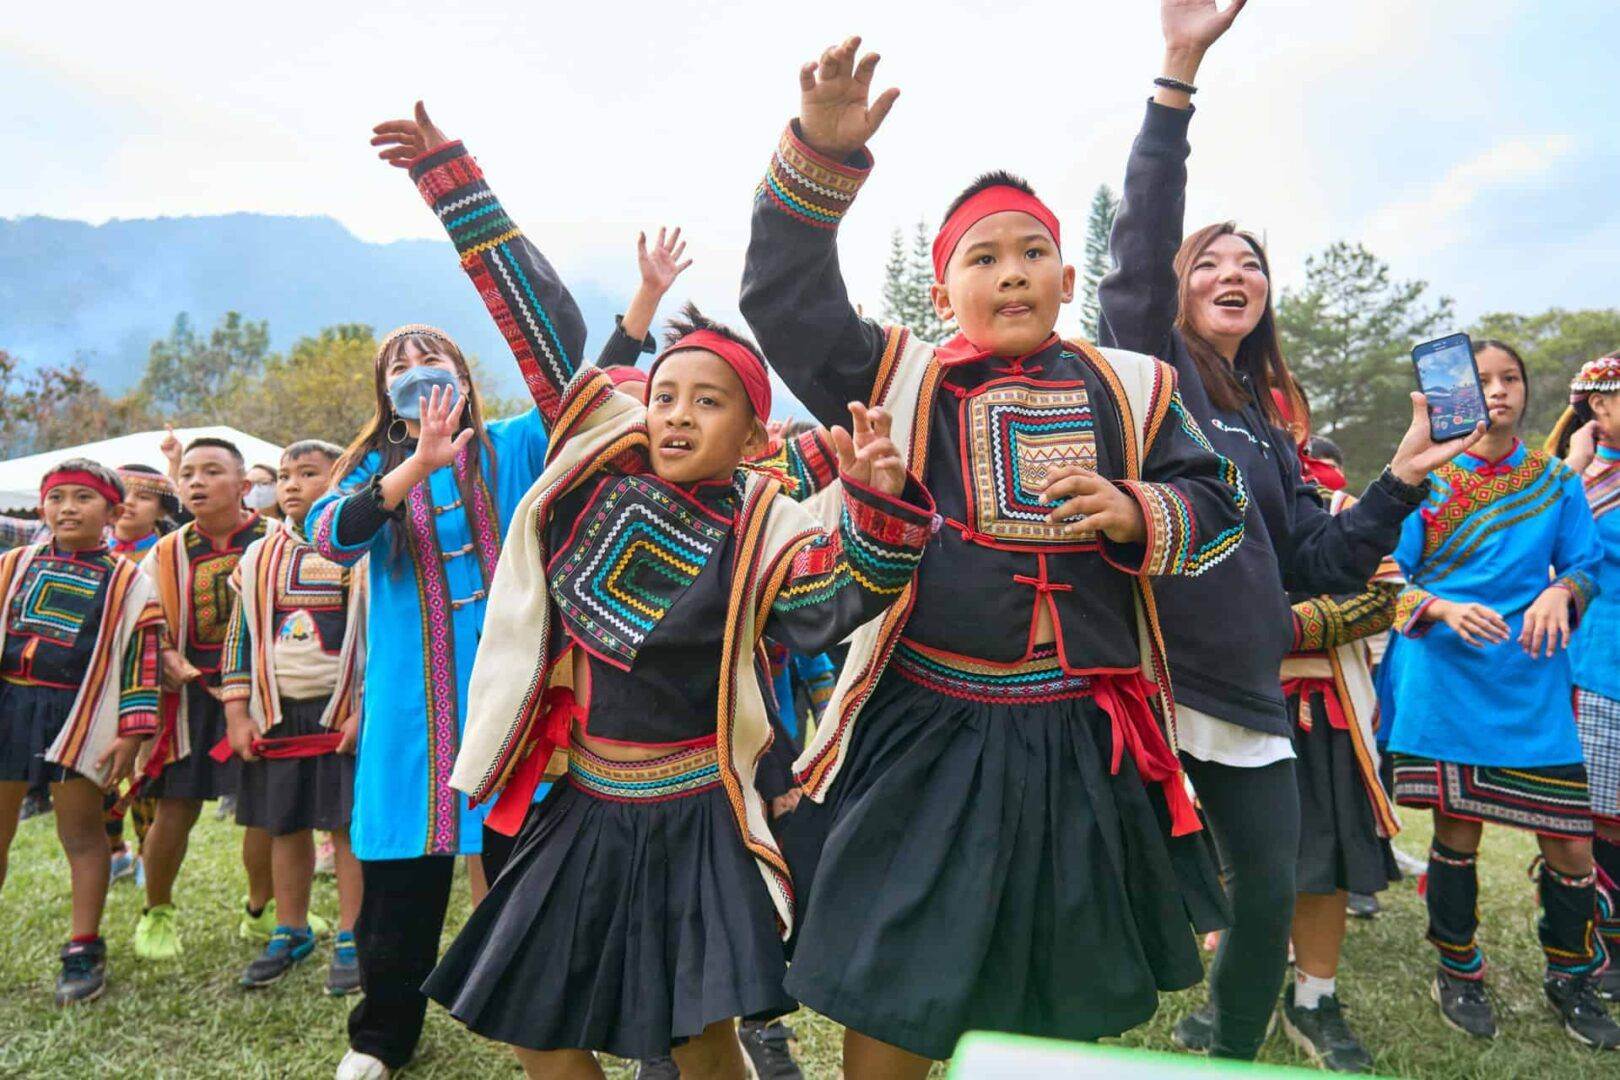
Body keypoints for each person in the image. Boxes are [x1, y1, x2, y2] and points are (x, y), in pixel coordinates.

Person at [737, 34, 1261, 1078]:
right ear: (945, 291)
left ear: (1068, 277)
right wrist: (817, 159)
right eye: (983, 257)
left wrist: (1133, 504)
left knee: (1044, 987)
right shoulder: (900, 380)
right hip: (931, 729)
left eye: (1031, 253)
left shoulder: (1133, 391)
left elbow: (1222, 505)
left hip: (1077, 736)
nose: (1011, 272)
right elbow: (784, 300)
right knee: (893, 976)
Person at [1098, 1, 1481, 1060]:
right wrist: (1177, 74)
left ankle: (1231, 1037)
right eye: (1211, 263)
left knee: (1267, 901)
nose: (1233, 274)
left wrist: (1402, 476)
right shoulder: (1151, 374)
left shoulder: (1267, 425)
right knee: (1132, 906)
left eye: (1251, 266)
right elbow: (1135, 255)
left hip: (1251, 686)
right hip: (1150, 680)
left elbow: (1318, 559)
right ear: (1181, 293)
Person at [1378, 341, 1619, 1049]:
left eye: (1510, 377)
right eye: (1482, 380)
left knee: (1571, 844)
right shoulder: (1430, 477)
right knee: (1457, 833)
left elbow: (1586, 564)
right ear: (1461, 393)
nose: (1498, 390)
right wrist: (1445, 610)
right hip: (1446, 677)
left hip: (1532, 679)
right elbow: (1389, 573)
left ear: (1526, 390)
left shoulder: (1556, 482)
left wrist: (1558, 590)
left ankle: (1572, 976)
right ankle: (1459, 969)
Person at [0, 460, 164, 1004]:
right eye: (57, 497)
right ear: (42, 507)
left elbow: (143, 660)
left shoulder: (129, 581)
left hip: (81, 714)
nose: (67, 508)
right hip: (8, 706)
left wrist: (133, 732)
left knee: (82, 834)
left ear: (112, 512)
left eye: (83, 498)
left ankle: (83, 944)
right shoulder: (14, 565)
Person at [220, 440, 366, 995]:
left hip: (342, 714)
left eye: (308, 473)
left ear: (342, 480)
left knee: (346, 826)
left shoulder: (362, 552)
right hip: (276, 714)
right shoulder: (258, 557)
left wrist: (364, 711)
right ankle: (291, 926)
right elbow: (240, 637)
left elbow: (381, 639)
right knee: (284, 824)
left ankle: (353, 932)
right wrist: (238, 712)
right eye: (284, 475)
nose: (291, 485)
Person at [132, 437, 270, 960]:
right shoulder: (164, 551)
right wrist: (166, 654)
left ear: (244, 484)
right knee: (175, 805)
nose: (196, 482)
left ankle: (262, 911)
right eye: (188, 472)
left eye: (212, 471)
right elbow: (143, 619)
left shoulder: (276, 538)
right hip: (187, 699)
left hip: (260, 696)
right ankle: (157, 913)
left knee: (264, 807)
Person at [1547, 350, 1620, 1002]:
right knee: (1600, 821)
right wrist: (1571, 467)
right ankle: (1601, 946)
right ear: (1599, 406)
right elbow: (1537, 550)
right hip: (1600, 667)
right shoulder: (1577, 482)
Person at [104, 463, 183, 883]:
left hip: (148, 679)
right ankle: (114, 851)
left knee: (144, 773)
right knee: (96, 774)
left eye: (143, 497)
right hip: (95, 682)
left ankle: (147, 852)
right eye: (123, 494)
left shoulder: (171, 555)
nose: (130, 503)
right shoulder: (92, 552)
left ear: (160, 509)